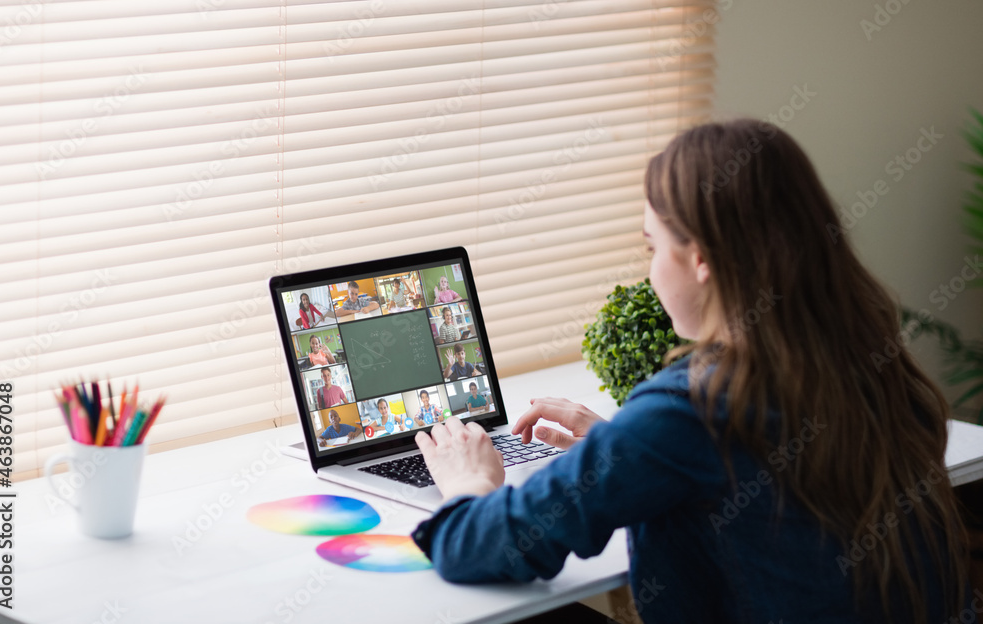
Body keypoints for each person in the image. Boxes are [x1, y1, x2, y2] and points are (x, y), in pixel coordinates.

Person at [409, 119, 969, 624]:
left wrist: (468, 482)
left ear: (700, 259)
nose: (649, 268)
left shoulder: (693, 408)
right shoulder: (871, 364)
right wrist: (620, 447)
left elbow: (478, 546)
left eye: (652, 246)